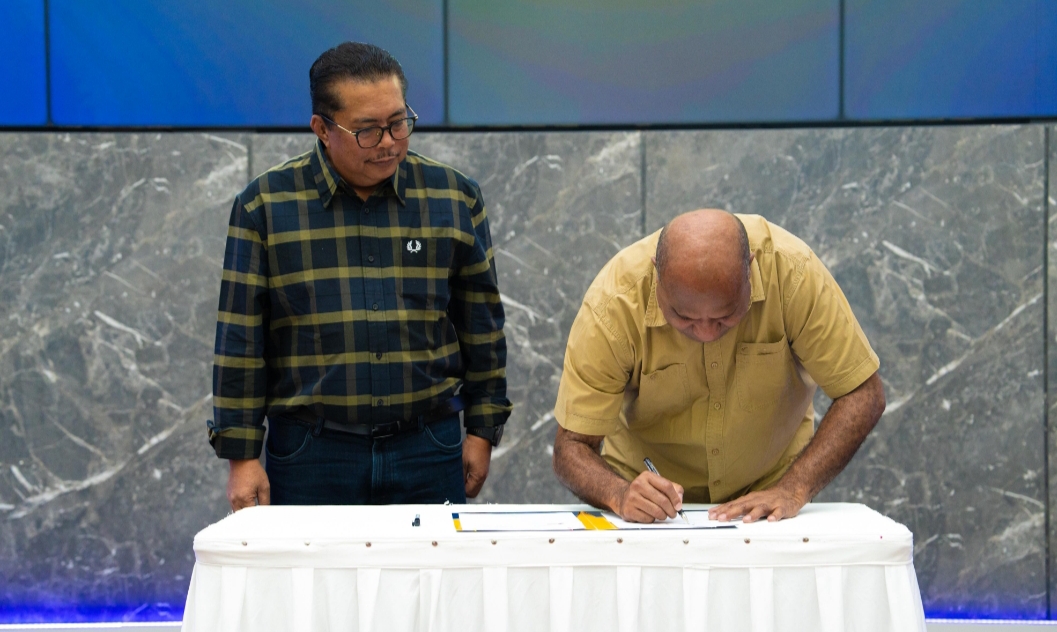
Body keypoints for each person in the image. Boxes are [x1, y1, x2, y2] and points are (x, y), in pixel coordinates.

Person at [208, 42, 511, 511]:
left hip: (428, 448)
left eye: (399, 122)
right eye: (368, 130)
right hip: (311, 454)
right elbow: (240, 342)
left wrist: (482, 429)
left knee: (429, 565)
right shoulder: (265, 206)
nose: (389, 142)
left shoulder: (453, 198)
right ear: (322, 129)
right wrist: (242, 457)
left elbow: (482, 327)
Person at [552, 209, 885, 523]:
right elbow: (572, 446)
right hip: (649, 506)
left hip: (770, 498)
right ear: (656, 275)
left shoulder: (793, 274)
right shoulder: (613, 304)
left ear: (750, 268)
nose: (707, 333)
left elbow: (862, 394)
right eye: (683, 317)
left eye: (726, 315)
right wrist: (619, 493)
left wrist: (793, 489)